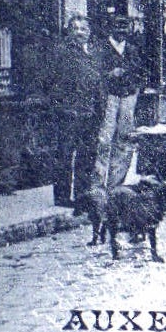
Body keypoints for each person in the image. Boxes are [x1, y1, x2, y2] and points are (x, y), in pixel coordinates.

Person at [51, 15, 103, 206]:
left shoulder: (94, 52)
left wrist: (99, 108)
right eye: (75, 29)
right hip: (70, 111)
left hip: (91, 111)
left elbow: (98, 82)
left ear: (89, 32)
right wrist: (63, 105)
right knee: (65, 154)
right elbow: (54, 82)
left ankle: (82, 195)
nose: (80, 32)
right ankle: (62, 197)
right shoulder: (63, 52)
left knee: (87, 154)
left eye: (84, 29)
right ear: (69, 32)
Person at [94, 9, 143, 189]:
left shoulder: (132, 50)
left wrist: (134, 91)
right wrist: (109, 75)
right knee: (104, 140)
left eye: (125, 27)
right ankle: (98, 183)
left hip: (128, 97)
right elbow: (95, 74)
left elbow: (139, 73)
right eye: (118, 26)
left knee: (125, 139)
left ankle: (116, 182)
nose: (122, 31)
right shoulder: (101, 49)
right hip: (109, 98)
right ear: (110, 27)